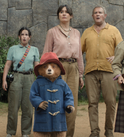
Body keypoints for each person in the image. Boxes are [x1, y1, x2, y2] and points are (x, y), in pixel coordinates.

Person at [81, 6, 123, 137]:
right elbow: (78, 51)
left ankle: (109, 131)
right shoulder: (87, 32)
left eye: (100, 12)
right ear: (92, 16)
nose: (97, 14)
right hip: (90, 71)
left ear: (105, 15)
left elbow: (122, 50)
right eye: (95, 13)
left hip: (109, 71)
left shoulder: (113, 30)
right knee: (92, 103)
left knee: (110, 102)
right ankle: (94, 132)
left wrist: (116, 57)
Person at [42, 5, 84, 137]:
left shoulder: (77, 33)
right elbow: (46, 53)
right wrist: (45, 73)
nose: (64, 14)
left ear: (71, 16)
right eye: (61, 12)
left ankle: (68, 134)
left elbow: (79, 54)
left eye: (67, 12)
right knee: (56, 101)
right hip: (57, 68)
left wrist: (81, 75)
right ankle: (54, 134)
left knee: (71, 103)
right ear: (58, 15)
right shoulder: (52, 32)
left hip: (73, 68)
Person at [2, 27, 40, 137]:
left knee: (28, 107)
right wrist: (4, 79)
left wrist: (39, 81)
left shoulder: (34, 50)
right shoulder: (13, 49)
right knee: (13, 107)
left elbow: (37, 66)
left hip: (30, 78)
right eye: (22, 34)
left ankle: (26, 132)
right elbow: (8, 65)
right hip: (16, 77)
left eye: (26, 34)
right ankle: (10, 132)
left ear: (29, 37)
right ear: (19, 36)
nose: (24, 36)